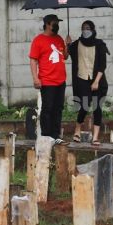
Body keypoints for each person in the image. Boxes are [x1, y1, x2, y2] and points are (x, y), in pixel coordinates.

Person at [29, 14, 71, 145]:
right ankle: (46, 136)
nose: (57, 25)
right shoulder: (38, 40)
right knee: (48, 108)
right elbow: (33, 60)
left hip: (60, 80)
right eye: (54, 23)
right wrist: (35, 78)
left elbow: (65, 56)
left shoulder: (58, 39)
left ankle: (55, 134)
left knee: (58, 108)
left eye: (57, 23)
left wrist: (67, 45)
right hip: (47, 81)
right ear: (47, 24)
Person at [69, 20, 109, 145]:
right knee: (85, 106)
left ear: (92, 29)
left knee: (97, 107)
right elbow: (68, 55)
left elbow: (102, 66)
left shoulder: (100, 44)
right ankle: (77, 128)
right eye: (83, 28)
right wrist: (67, 44)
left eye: (87, 28)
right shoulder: (76, 44)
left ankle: (95, 137)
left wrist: (96, 81)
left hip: (98, 80)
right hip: (82, 79)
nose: (85, 30)